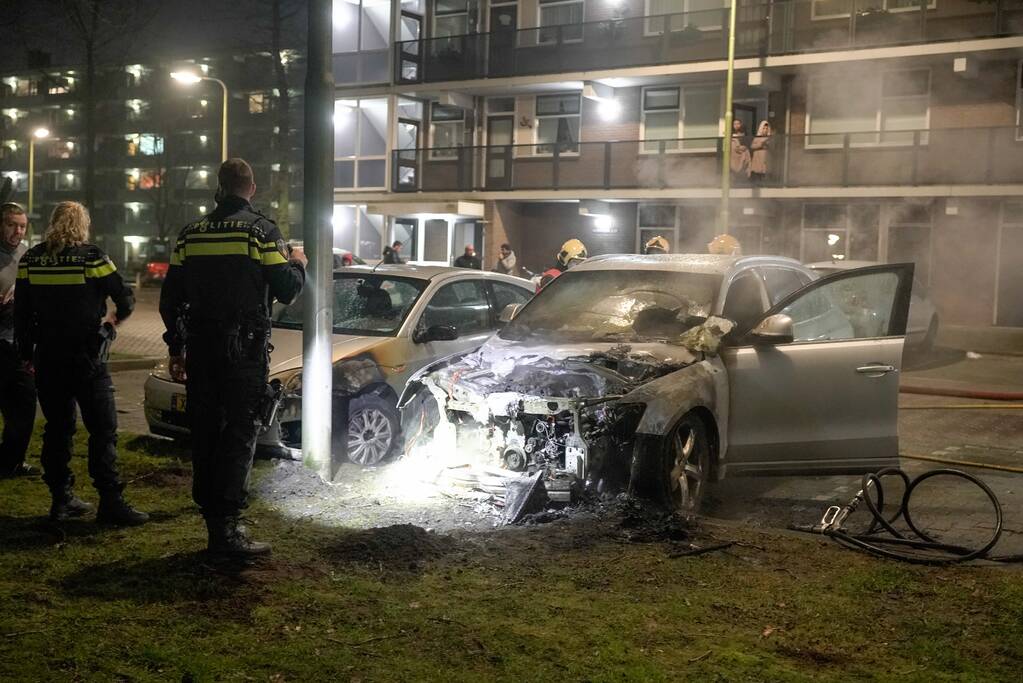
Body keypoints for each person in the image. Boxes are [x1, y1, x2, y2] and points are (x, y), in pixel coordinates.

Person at [160, 159, 305, 558]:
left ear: (219, 187)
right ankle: (227, 530)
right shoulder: (262, 231)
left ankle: (212, 522)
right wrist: (298, 262)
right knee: (240, 433)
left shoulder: (190, 234)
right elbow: (287, 289)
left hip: (201, 351)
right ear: (251, 189)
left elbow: (170, 300)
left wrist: (176, 348)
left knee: (205, 433)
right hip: (244, 352)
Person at [14, 201, 146, 524]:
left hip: (48, 357)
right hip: (87, 357)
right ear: (82, 224)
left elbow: (21, 314)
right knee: (102, 429)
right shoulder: (92, 257)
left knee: (58, 429)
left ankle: (60, 499)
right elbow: (125, 298)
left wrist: (27, 355)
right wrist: (113, 322)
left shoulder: (32, 259)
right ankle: (110, 501)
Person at [0, 202, 37, 478]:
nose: (18, 231)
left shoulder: (27, 255)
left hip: (17, 342)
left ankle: (11, 461)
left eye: (22, 226)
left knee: (24, 403)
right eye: (12, 225)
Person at [748, 120, 773, 184]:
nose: (765, 130)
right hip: (758, 158)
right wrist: (760, 144)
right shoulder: (757, 137)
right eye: (764, 128)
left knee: (765, 175)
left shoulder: (770, 138)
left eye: (766, 128)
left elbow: (773, 147)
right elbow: (752, 146)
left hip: (766, 159)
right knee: (757, 175)